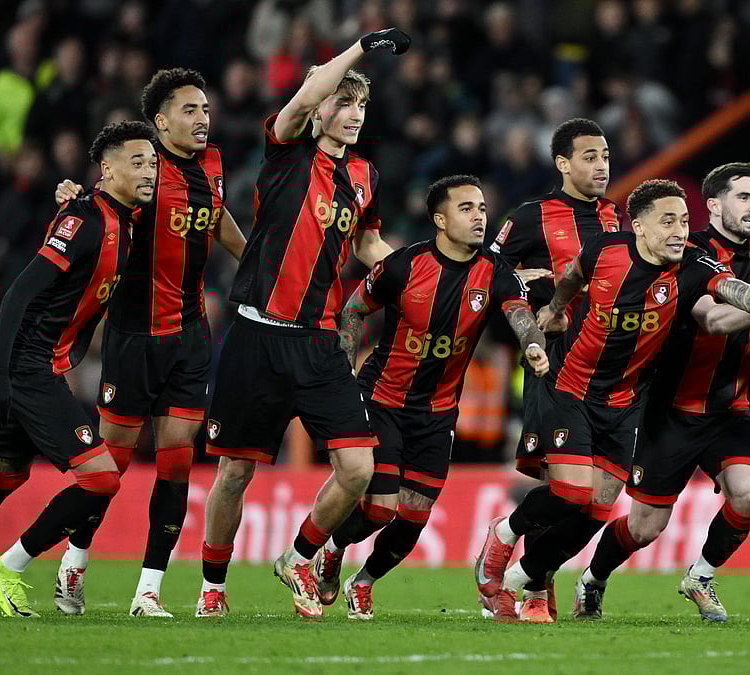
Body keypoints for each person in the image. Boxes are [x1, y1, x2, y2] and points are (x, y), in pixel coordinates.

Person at [483, 179, 750, 623]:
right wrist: (557, 309)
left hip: (624, 404)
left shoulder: (694, 266)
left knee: (596, 511)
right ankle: (504, 533)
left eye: (684, 220)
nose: (681, 230)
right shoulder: (606, 249)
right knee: (572, 493)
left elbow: (736, 296)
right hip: (571, 387)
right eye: (668, 221)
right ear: (639, 226)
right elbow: (573, 276)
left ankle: (518, 580)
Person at [200, 28, 411, 619]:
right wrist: (362, 48)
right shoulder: (288, 147)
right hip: (256, 331)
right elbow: (306, 91)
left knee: (358, 468)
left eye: (362, 104)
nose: (353, 113)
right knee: (235, 471)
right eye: (343, 101)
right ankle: (213, 585)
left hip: (320, 341)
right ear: (319, 107)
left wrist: (419, 273)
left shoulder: (366, 176)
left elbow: (368, 244)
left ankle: (298, 555)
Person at [0, 121, 156, 618]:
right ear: (107, 170)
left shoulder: (116, 217)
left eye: (152, 163)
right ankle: (8, 567)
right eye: (138, 162)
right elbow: (20, 291)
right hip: (27, 366)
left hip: (40, 363)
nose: (149, 171)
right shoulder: (86, 220)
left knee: (4, 475)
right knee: (101, 478)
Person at [50, 68, 246, 618]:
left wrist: (251, 259)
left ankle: (149, 590)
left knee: (177, 463)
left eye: (205, 108)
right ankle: (75, 562)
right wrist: (70, 194)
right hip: (134, 334)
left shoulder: (213, 165)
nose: (202, 118)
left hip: (189, 334)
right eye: (189, 110)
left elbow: (217, 218)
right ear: (160, 122)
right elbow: (98, 208)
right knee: (108, 468)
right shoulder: (142, 172)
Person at [574, 163, 750, 621]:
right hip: (672, 408)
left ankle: (700, 577)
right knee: (644, 527)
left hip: (729, 409)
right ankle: (592, 580)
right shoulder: (688, 253)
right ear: (714, 205)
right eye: (743, 198)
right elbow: (712, 319)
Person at [311, 175, 549, 619]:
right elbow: (354, 309)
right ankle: (333, 547)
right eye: (466, 208)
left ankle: (362, 582)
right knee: (380, 510)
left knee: (415, 516)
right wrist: (343, 371)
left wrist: (532, 345)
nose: (479, 216)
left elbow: (520, 315)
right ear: (440, 219)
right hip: (382, 399)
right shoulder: (403, 265)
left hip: (438, 412)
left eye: (481, 207)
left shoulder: (495, 274)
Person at [477, 116, 621, 616]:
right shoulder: (533, 215)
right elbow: (488, 270)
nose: (601, 165)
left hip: (611, 370)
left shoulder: (617, 219)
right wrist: (529, 280)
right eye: (589, 156)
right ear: (562, 163)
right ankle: (536, 593)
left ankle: (527, 572)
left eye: (605, 156)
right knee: (557, 485)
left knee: (599, 500)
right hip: (553, 364)